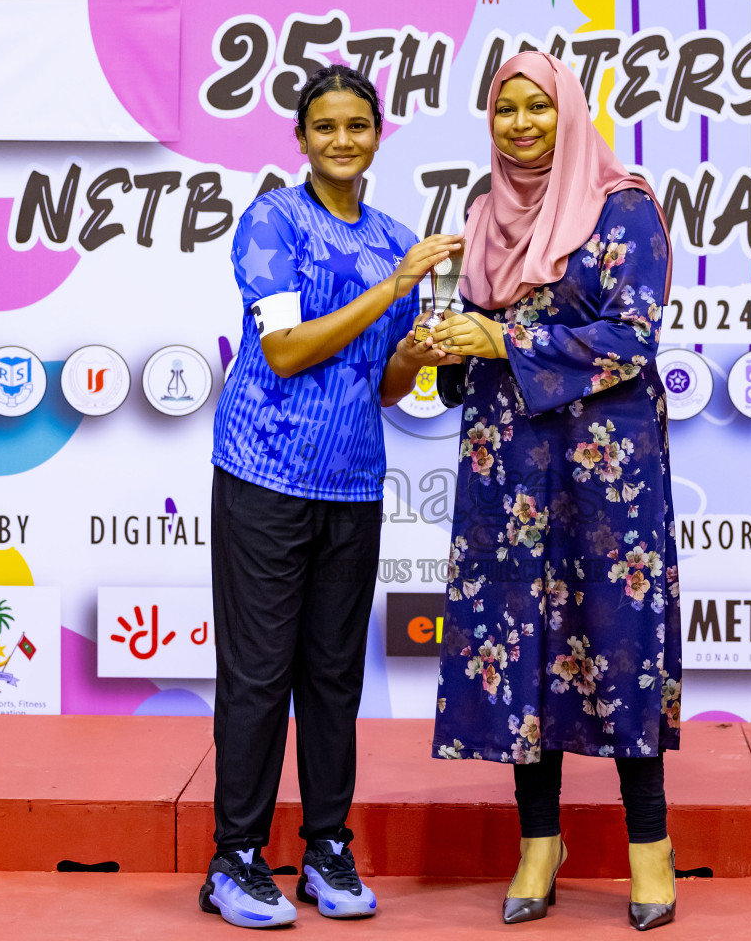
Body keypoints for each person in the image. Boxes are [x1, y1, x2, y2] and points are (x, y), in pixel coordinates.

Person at [428, 52, 682, 931]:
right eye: (507, 109)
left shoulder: (624, 208)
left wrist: (504, 342)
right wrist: (451, 352)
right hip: (507, 468)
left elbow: (631, 336)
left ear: (569, 113)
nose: (523, 123)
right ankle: (541, 841)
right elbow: (476, 338)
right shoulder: (483, 211)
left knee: (616, 640)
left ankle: (650, 845)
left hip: (604, 471)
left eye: (540, 106)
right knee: (519, 643)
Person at [203, 63, 461, 929]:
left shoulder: (396, 236)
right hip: (264, 474)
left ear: (378, 134)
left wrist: (422, 351)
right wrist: (391, 290)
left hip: (352, 480)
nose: (342, 140)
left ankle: (325, 849)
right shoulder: (273, 219)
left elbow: (380, 384)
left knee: (332, 679)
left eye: (358, 125)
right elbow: (283, 351)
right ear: (302, 139)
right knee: (257, 675)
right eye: (325, 128)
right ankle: (234, 860)